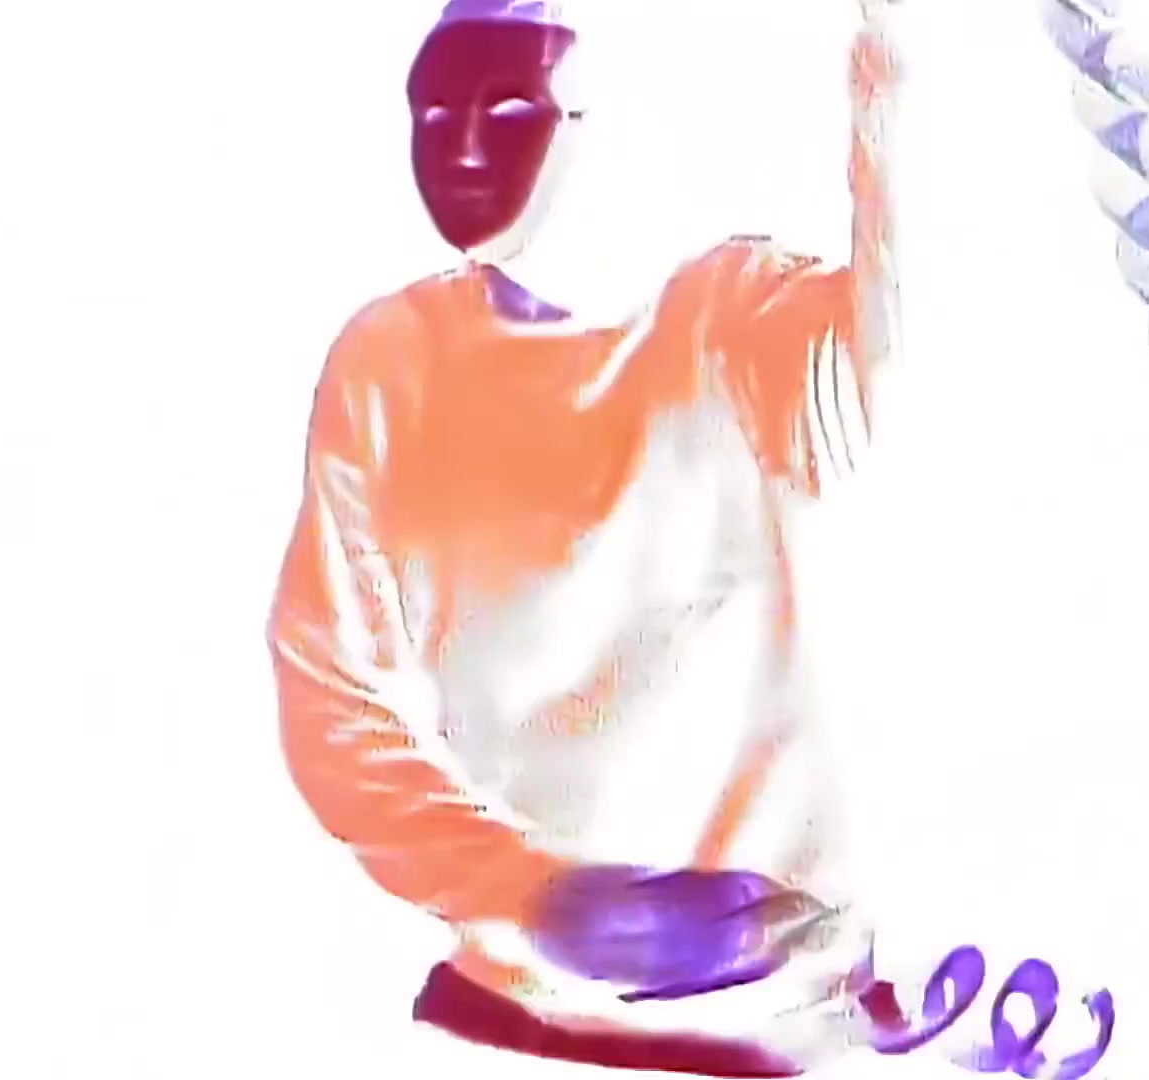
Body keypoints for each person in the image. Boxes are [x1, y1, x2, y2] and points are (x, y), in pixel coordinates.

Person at [267, 1, 909, 1074]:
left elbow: (901, 380)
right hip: (513, 1024)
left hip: (790, 1015)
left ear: (591, 118)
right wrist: (535, 896)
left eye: (508, 107)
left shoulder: (727, 317)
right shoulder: (388, 367)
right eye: (432, 111)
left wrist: (896, 71)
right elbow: (331, 702)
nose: (461, 147)